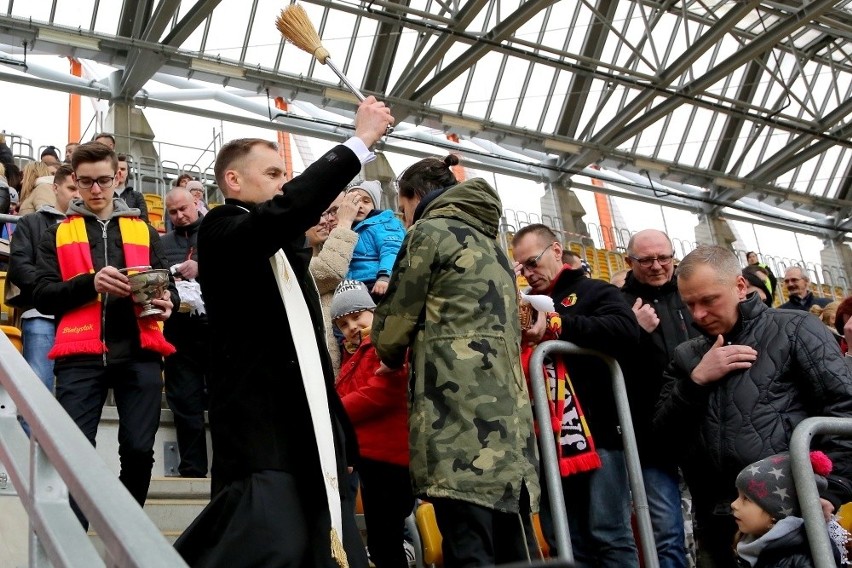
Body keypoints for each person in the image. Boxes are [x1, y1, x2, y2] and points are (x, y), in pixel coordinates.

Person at [173, 95, 394, 568]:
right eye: (273, 173)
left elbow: (310, 352)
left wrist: (342, 439)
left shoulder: (286, 253)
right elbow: (287, 213)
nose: (284, 182)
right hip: (261, 438)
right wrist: (357, 144)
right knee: (270, 546)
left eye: (284, 174)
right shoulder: (221, 227)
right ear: (233, 180)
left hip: (310, 436)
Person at [372, 156, 541, 567]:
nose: (404, 216)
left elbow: (394, 325)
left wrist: (388, 353)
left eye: (403, 206)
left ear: (414, 197)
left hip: (458, 426)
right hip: (508, 427)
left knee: (469, 547)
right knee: (512, 550)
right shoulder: (493, 245)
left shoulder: (429, 232)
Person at [654, 244, 852, 567]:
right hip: (714, 523)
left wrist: (833, 490)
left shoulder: (796, 329)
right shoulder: (687, 356)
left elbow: (844, 411)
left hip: (789, 523)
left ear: (740, 286)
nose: (698, 314)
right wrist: (696, 382)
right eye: (689, 304)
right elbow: (663, 436)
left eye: (708, 300)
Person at [32, 141, 178, 527]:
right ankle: (76, 534)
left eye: (102, 180)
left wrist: (169, 304)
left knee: (137, 448)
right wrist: (89, 284)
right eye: (85, 182)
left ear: (117, 177)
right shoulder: (55, 234)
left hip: (140, 349)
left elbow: (168, 286)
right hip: (79, 354)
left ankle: (124, 527)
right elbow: (43, 296)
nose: (95, 190)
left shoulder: (144, 230)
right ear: (74, 183)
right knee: (76, 449)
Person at [512, 223, 640, 567]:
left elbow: (627, 330)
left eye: (532, 262)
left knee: (608, 534)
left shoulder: (593, 290)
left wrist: (560, 326)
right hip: (547, 441)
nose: (528, 273)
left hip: (597, 436)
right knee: (564, 539)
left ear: (556, 251)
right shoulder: (523, 306)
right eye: (521, 267)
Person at [620, 228, 701, 568]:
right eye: (646, 259)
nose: (656, 266)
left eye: (663, 258)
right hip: (649, 438)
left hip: (702, 432)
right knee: (666, 534)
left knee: (716, 524)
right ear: (629, 261)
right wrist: (632, 330)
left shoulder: (694, 298)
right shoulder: (618, 305)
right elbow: (607, 366)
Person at [331, 280, 413, 568]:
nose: (351, 326)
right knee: (381, 542)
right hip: (370, 457)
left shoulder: (384, 343)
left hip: (390, 456)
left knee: (386, 540)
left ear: (373, 311)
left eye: (357, 316)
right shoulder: (354, 353)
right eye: (343, 324)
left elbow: (382, 392)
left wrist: (335, 411)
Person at [7, 165, 80, 435]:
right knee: (37, 388)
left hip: (80, 319)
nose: (77, 194)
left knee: (77, 394)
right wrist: (53, 290)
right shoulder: (31, 223)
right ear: (55, 188)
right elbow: (19, 267)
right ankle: (29, 459)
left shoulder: (87, 226)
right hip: (41, 314)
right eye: (71, 188)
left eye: (79, 188)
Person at [160, 187, 210, 478]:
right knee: (185, 404)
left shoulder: (215, 233)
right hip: (178, 332)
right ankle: (192, 469)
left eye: (183, 209)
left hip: (217, 331)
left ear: (196, 202)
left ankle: (228, 468)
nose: (179, 216)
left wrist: (202, 268)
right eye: (172, 212)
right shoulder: (162, 242)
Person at [731, 451, 842, 567]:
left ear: (775, 512)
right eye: (738, 496)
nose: (734, 504)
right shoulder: (750, 542)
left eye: (746, 499)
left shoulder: (798, 559)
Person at [307, 192, 360, 376]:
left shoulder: (331, 247)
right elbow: (330, 269)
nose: (324, 221)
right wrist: (345, 223)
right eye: (316, 216)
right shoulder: (292, 261)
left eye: (326, 214)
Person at [343, 180, 405, 299]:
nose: (360, 205)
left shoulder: (384, 224)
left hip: (375, 283)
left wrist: (384, 275)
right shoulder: (346, 226)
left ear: (375, 205)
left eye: (366, 201)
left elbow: (391, 250)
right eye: (354, 201)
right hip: (352, 286)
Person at [114, 154, 149, 222]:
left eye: (123, 169)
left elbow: (144, 221)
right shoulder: (105, 195)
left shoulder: (137, 196)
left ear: (127, 173)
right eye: (117, 169)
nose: (119, 171)